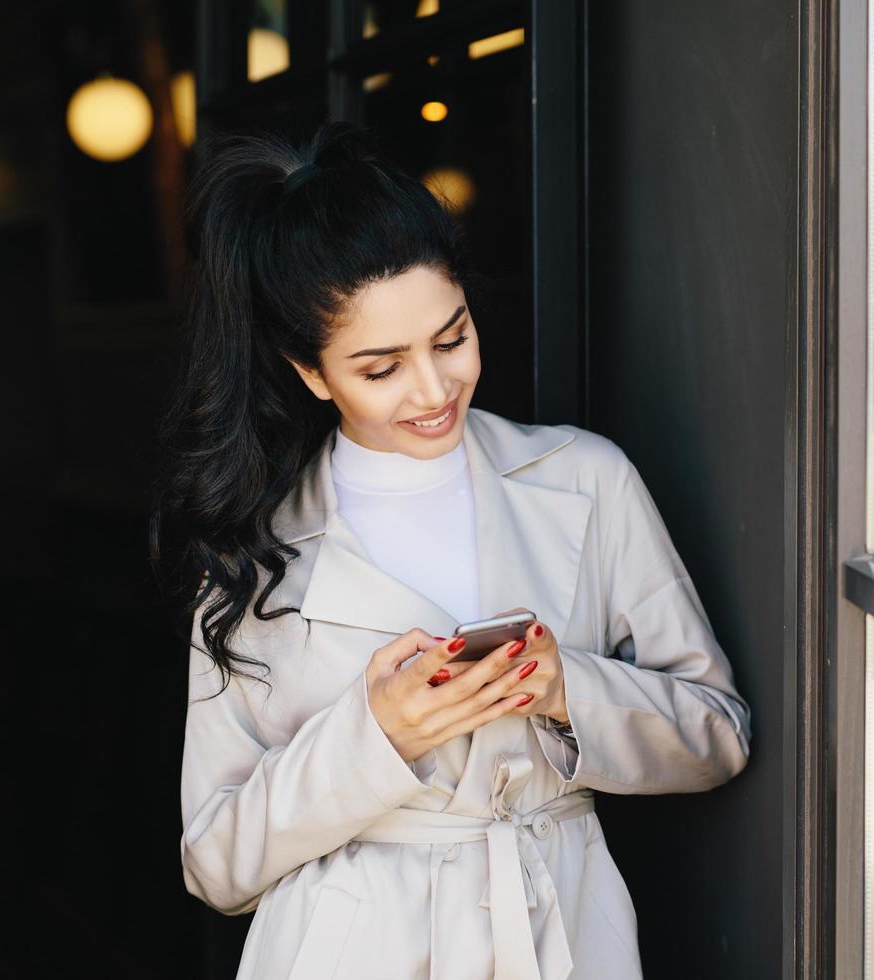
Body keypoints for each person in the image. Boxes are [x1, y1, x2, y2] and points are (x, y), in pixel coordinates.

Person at [150, 120, 751, 980]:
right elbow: (214, 862)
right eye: (380, 367)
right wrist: (376, 733)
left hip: (562, 929)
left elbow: (717, 734)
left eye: (451, 338)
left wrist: (561, 688)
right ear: (311, 372)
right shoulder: (256, 548)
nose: (433, 390)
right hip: (348, 948)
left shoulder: (586, 479)